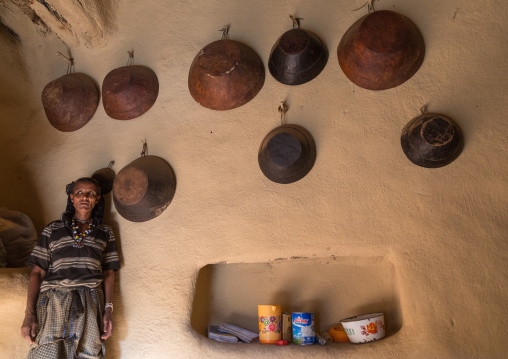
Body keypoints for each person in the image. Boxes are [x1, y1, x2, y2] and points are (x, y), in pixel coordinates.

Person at [21, 177, 120, 358]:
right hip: (54, 302)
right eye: (80, 192)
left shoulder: (105, 232)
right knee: (47, 352)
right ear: (72, 198)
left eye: (90, 193)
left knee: (88, 353)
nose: (85, 197)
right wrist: (29, 313)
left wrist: (108, 310)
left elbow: (108, 273)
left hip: (90, 302)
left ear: (97, 199)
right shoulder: (53, 230)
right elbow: (37, 272)